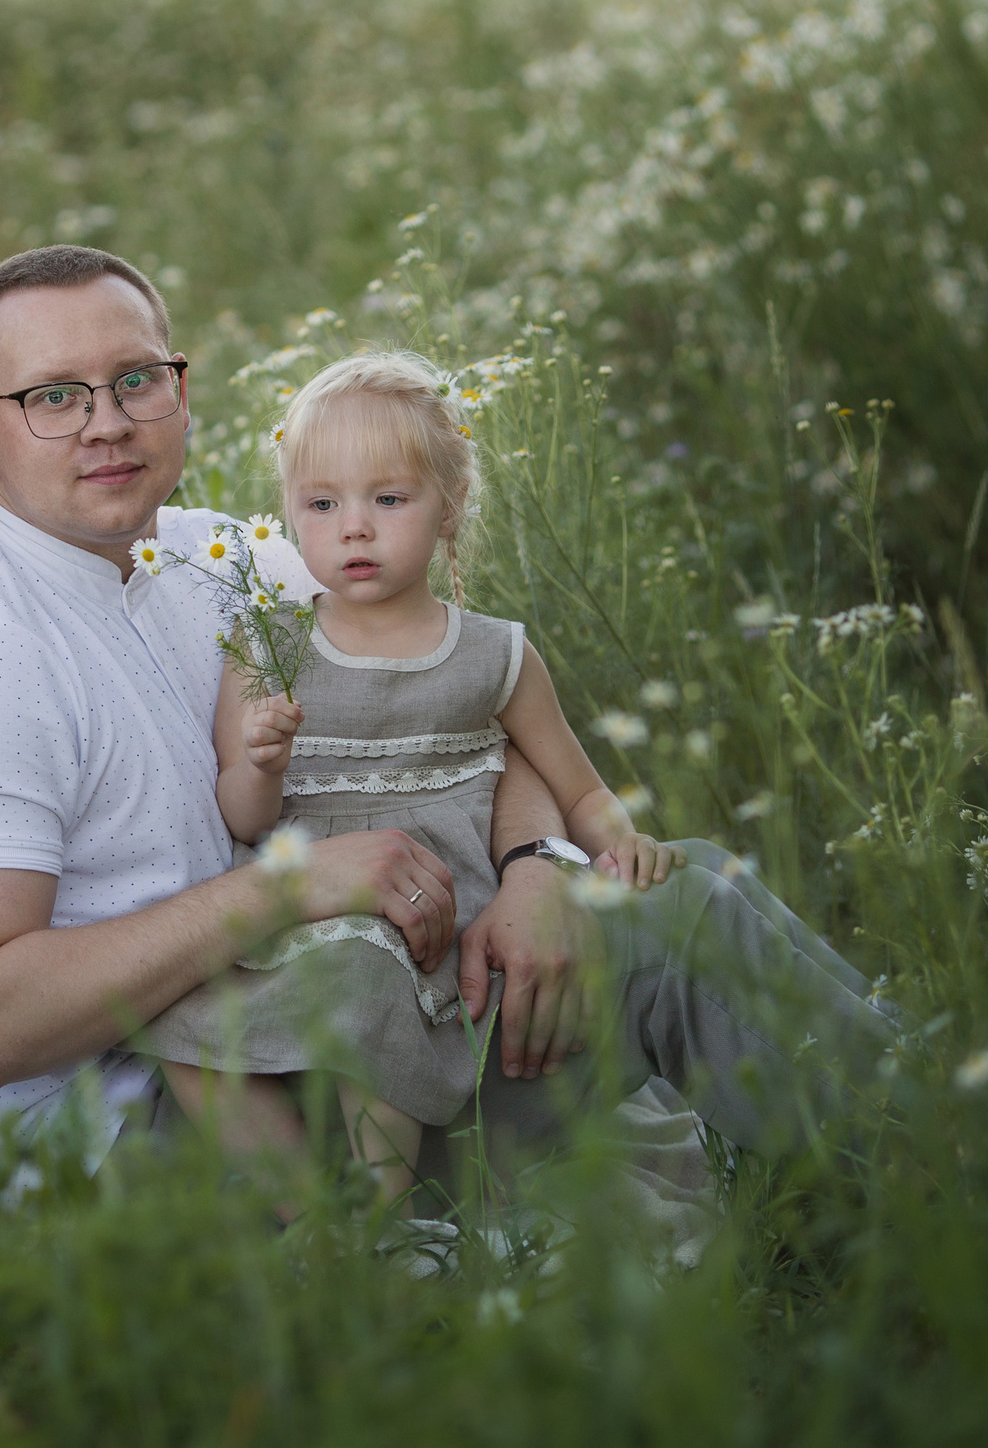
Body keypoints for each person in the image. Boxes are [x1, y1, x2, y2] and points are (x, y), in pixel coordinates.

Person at [0, 244, 898, 1189]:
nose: (107, 421)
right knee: (685, 929)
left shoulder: (206, 556)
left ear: (179, 390)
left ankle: (922, 1137)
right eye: (53, 396)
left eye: (136, 379)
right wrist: (290, 887)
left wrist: (538, 864)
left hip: (328, 1013)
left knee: (692, 884)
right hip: (164, 1134)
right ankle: (950, 1167)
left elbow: (452, 687)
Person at [136, 350, 679, 1204]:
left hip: (429, 930)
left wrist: (619, 840)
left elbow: (575, 786)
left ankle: (384, 1218)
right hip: (304, 920)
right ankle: (316, 1222)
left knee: (374, 982)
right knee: (180, 1029)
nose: (354, 527)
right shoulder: (266, 646)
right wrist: (261, 759)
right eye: (322, 504)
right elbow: (242, 816)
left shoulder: (494, 653)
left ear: (450, 507)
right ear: (291, 514)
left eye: (388, 499)